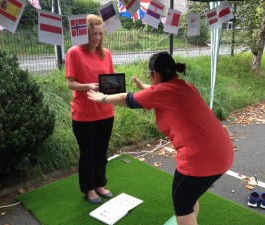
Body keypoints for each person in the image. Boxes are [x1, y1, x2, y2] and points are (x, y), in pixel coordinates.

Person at [87, 51, 234, 224]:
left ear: (155, 74)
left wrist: (102, 98)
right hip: (224, 152)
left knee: (182, 202)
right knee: (189, 197)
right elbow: (161, 94)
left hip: (200, 159)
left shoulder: (159, 93)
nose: (150, 80)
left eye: (150, 77)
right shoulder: (186, 86)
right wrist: (146, 88)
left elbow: (127, 99)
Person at [65, 14, 115, 204]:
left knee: (101, 152)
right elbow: (70, 84)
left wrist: (115, 88)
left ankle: (100, 183)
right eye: (93, 34)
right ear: (84, 34)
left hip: (105, 111)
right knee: (88, 154)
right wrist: (88, 86)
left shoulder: (106, 53)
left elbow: (110, 81)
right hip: (84, 114)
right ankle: (88, 189)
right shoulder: (74, 52)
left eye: (100, 34)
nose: (97, 38)